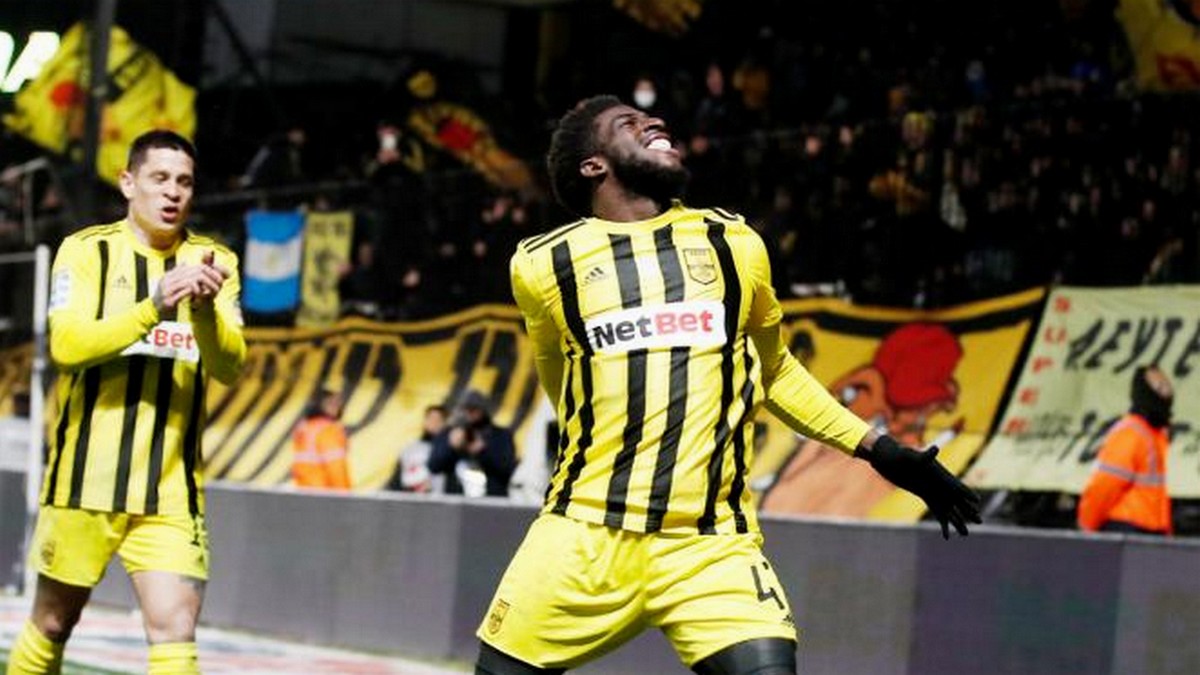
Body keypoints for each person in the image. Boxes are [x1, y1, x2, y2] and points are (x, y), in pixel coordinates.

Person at [475, 95, 981, 675]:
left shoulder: (732, 243)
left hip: (711, 545)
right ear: (594, 165)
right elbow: (560, 381)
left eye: (650, 117)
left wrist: (881, 450)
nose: (654, 122)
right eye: (628, 123)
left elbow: (774, 369)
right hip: (583, 534)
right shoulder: (543, 265)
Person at [7, 130, 246, 674]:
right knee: (52, 623)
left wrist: (202, 312)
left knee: (175, 630)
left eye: (184, 182)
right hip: (83, 483)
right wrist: (153, 306)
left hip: (171, 492)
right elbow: (67, 347)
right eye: (159, 178)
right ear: (128, 183)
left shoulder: (215, 262)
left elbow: (230, 367)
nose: (173, 192)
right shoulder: (86, 251)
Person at [1077, 365, 1174, 536]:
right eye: (1158, 387)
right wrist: (1087, 525)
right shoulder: (1131, 433)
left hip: (1146, 531)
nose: (1165, 392)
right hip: (1126, 530)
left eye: (1166, 386)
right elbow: (1105, 486)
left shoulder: (1154, 435)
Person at [427, 389, 516, 498]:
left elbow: (508, 469)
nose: (469, 413)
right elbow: (433, 466)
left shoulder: (500, 435)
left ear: (483, 410)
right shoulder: (449, 434)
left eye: (474, 409)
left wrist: (483, 451)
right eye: (465, 409)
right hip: (456, 500)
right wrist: (450, 447)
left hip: (492, 500)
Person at [291, 388, 352, 490]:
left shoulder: (304, 428)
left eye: (337, 403)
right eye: (331, 403)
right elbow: (336, 467)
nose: (336, 406)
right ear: (319, 405)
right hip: (326, 493)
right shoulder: (328, 430)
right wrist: (344, 495)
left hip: (305, 492)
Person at [385, 403, 448, 493]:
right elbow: (398, 480)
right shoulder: (411, 448)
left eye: (438, 420)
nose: (434, 423)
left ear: (444, 423)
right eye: (431, 419)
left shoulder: (450, 452)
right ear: (425, 421)